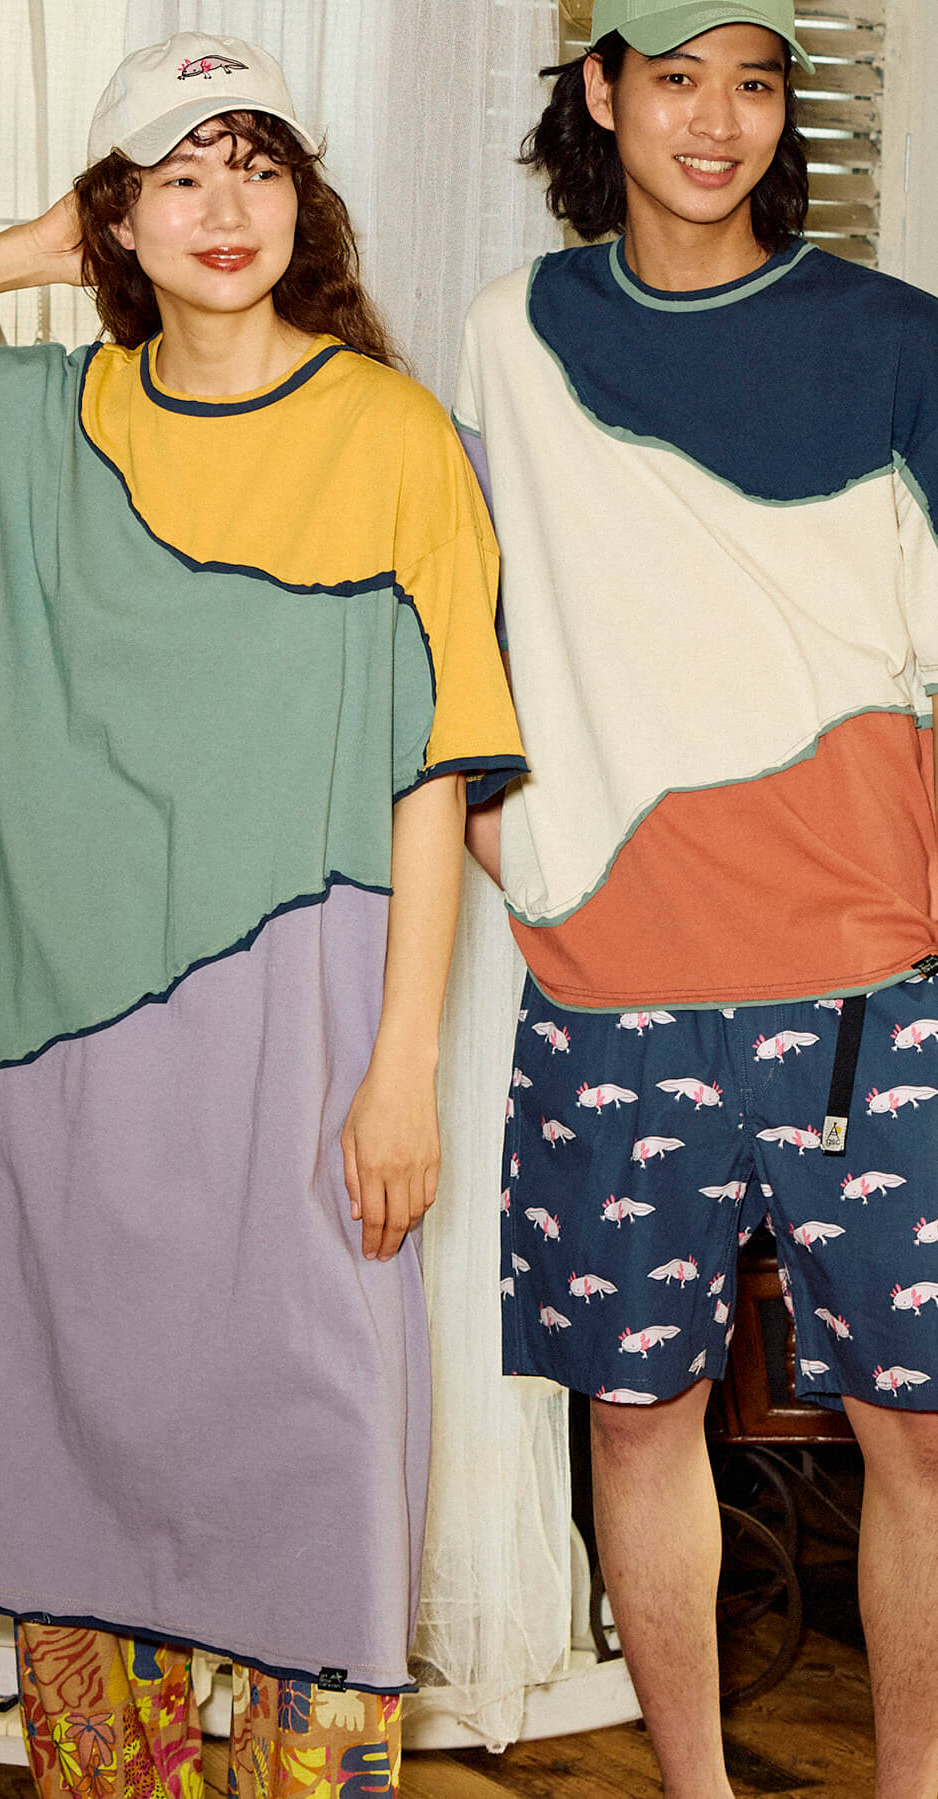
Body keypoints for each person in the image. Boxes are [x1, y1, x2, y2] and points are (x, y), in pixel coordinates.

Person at [0, 33, 524, 1799]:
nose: (225, 206)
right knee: (77, 1517)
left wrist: (402, 1072)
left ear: (304, 200)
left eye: (257, 164)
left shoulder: (397, 437)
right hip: (55, 1089)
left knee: (319, 1518)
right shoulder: (8, 428)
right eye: (176, 174)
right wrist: (31, 251)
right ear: (118, 214)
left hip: (304, 1072)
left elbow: (437, 768)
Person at [457, 1, 938, 1792]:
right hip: (613, 984)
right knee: (636, 1416)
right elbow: (457, 613)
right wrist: (504, 825)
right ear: (603, 92)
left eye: (753, 82)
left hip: (872, 983)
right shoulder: (515, 334)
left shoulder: (901, 341)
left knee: (920, 1437)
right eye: (676, 79)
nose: (718, 121)